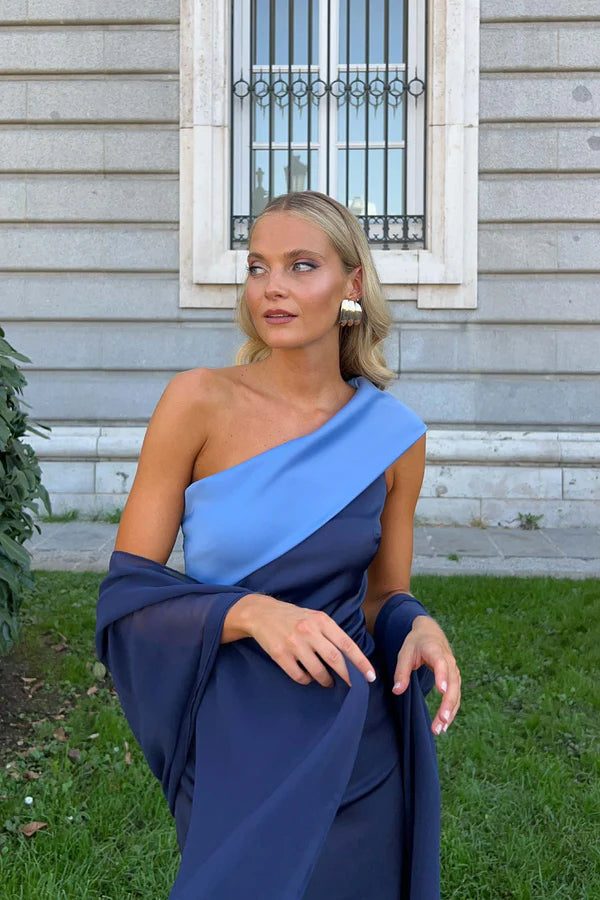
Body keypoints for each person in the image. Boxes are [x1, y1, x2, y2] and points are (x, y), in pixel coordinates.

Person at [95, 190, 461, 899]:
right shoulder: (196, 402)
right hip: (236, 732)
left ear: (352, 283)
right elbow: (129, 594)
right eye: (258, 267)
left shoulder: (395, 436)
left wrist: (416, 623)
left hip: (356, 736)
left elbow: (385, 593)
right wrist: (251, 612)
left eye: (301, 265)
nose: (273, 287)